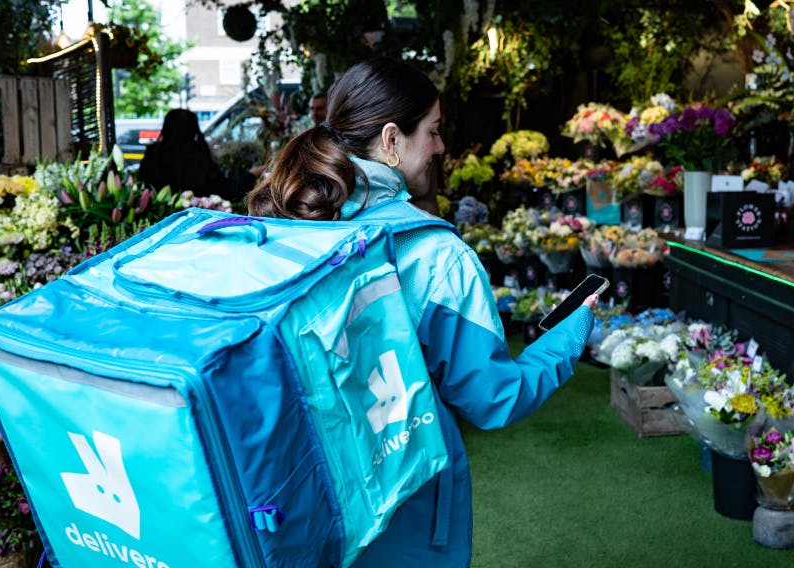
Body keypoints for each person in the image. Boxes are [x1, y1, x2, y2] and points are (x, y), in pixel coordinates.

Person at [246, 56, 596, 566]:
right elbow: (494, 397)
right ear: (391, 140)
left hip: (299, 499)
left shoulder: (282, 221)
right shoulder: (434, 255)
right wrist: (566, 337)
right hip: (400, 505)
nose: (440, 147)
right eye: (433, 131)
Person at [137, 108, 262, 201]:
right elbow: (225, 189)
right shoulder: (198, 155)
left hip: (158, 221)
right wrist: (251, 175)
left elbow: (142, 188)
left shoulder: (153, 154)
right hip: (195, 219)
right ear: (193, 130)